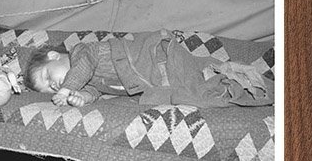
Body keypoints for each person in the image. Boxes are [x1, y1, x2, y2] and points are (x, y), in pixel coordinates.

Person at [24, 31, 272, 109]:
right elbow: (95, 92)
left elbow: (82, 68)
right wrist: (81, 98)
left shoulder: (82, 52)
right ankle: (252, 90)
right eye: (48, 89)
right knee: (203, 92)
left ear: (53, 55)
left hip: (156, 59)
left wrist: (68, 88)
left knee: (200, 75)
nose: (52, 86)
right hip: (156, 81)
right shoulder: (82, 82)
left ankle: (260, 85)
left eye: (47, 77)